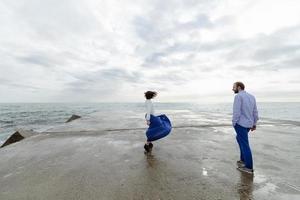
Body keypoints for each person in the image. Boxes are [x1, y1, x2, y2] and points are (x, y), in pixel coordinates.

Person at [232, 82, 259, 174]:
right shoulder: (252, 96)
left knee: (245, 144)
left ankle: (248, 167)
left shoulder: (238, 96)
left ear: (239, 87)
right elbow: (255, 112)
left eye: (234, 87)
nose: (233, 89)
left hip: (241, 124)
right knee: (239, 138)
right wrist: (254, 123)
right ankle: (243, 160)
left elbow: (236, 112)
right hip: (248, 124)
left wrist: (234, 123)